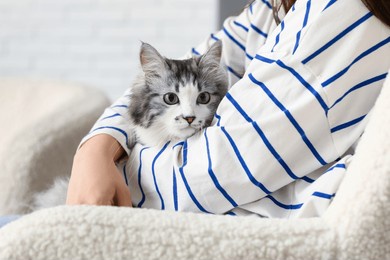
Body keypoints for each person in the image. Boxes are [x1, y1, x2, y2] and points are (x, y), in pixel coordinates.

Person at [66, 0, 390, 217]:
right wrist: (96, 149)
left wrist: (112, 172)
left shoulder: (339, 17)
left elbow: (209, 177)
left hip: (243, 231)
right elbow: (166, 75)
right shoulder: (275, 8)